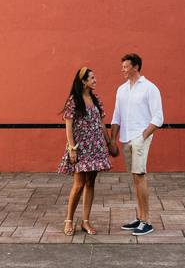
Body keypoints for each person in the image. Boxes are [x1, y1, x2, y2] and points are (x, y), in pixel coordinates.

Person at [110, 53, 164, 236]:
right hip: (125, 138)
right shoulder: (121, 90)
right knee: (135, 177)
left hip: (140, 138)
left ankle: (147, 221)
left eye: (125, 67)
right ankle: (140, 218)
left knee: (140, 176)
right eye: (122, 67)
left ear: (136, 67)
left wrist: (143, 136)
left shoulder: (150, 88)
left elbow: (158, 117)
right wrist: (112, 140)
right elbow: (116, 116)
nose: (122, 70)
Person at [57, 66, 115, 236]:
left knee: (90, 183)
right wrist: (72, 149)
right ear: (83, 81)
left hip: (96, 148)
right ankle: (68, 220)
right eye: (92, 78)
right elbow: (68, 126)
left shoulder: (96, 99)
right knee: (78, 184)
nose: (95, 80)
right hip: (82, 149)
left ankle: (85, 222)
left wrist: (109, 141)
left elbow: (101, 123)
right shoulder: (74, 101)